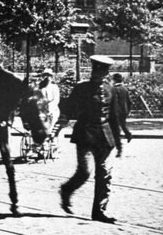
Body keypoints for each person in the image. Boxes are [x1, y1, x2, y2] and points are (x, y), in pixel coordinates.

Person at [59, 55, 119, 224]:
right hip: (85, 135)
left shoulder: (110, 89)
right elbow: (68, 108)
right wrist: (59, 125)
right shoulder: (81, 88)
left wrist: (119, 142)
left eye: (102, 71)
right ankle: (66, 190)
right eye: (96, 70)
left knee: (105, 175)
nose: (98, 74)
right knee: (85, 172)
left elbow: (114, 116)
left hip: (105, 138)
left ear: (106, 72)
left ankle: (99, 212)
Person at [110, 73, 132, 156]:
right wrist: (128, 110)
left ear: (114, 80)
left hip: (117, 111)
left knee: (116, 127)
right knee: (122, 124)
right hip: (124, 110)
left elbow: (114, 101)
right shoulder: (124, 88)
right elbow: (129, 101)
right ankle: (128, 135)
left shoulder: (114, 89)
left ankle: (118, 145)